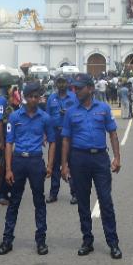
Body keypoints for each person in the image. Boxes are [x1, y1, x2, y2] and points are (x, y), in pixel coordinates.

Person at [61, 74, 122, 259]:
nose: (76, 91)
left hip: (100, 159)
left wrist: (117, 158)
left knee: (105, 201)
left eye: (79, 88)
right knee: (83, 202)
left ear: (90, 88)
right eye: (75, 88)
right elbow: (66, 139)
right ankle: (87, 240)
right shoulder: (71, 112)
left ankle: (113, 243)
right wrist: (64, 165)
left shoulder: (103, 108)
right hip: (79, 159)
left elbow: (112, 134)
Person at [0, 81, 56, 255]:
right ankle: (7, 240)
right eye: (30, 96)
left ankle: (41, 241)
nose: (33, 99)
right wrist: (8, 169)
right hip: (18, 162)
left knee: (39, 202)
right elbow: (9, 143)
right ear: (24, 97)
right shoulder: (15, 117)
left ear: (39, 98)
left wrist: (50, 165)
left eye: (36, 96)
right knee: (14, 201)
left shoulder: (45, 118)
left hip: (36, 162)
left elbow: (52, 142)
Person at [45, 74, 78, 203]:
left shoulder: (74, 97)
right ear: (56, 84)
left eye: (64, 82)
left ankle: (75, 193)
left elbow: (78, 113)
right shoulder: (51, 98)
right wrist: (45, 133)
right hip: (55, 133)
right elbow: (47, 117)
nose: (61, 84)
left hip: (69, 134)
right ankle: (53, 193)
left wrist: (69, 114)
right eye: (59, 82)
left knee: (72, 163)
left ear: (68, 83)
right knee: (54, 164)